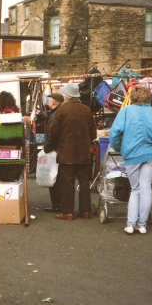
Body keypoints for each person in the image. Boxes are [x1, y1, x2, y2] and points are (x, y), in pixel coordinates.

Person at [109, 85, 152, 235]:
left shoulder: (126, 111)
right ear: (149, 98)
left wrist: (119, 148)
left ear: (132, 97)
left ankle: (131, 224)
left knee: (135, 189)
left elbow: (114, 133)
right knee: (146, 188)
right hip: (150, 154)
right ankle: (142, 224)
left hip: (131, 154)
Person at [49, 84, 97, 221]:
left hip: (66, 151)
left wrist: (52, 145)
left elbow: (54, 131)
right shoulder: (86, 110)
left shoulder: (62, 110)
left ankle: (68, 212)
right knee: (84, 182)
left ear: (67, 96)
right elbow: (93, 132)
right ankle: (85, 211)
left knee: (67, 183)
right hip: (84, 152)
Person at [42, 93, 64, 212]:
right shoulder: (58, 112)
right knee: (59, 178)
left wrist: (47, 148)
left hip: (54, 150)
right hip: (59, 149)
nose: (48, 102)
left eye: (49, 100)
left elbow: (52, 133)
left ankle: (57, 205)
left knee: (54, 177)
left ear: (53, 102)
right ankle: (58, 204)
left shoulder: (55, 114)